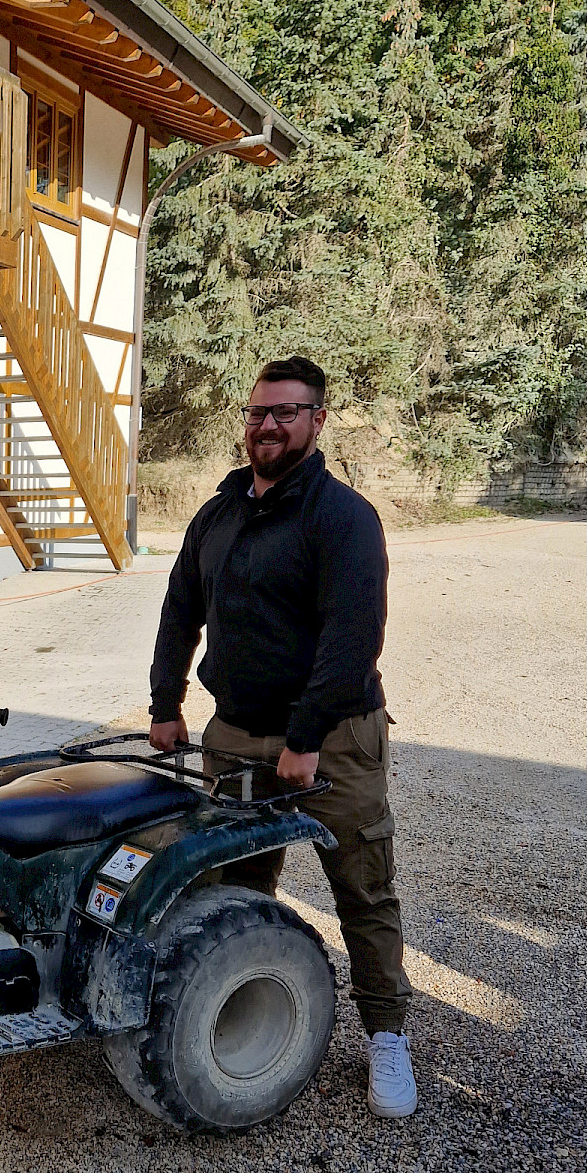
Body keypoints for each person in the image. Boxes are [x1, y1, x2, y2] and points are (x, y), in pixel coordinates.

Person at [147, 355, 416, 1119]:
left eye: (286, 412)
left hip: (331, 741)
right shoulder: (219, 512)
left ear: (317, 420)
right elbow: (179, 609)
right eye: (258, 412)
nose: (267, 425)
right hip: (233, 735)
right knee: (231, 882)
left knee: (362, 887)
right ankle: (235, 1010)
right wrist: (165, 702)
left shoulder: (344, 517)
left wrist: (304, 736)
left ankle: (387, 1035)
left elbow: (352, 638)